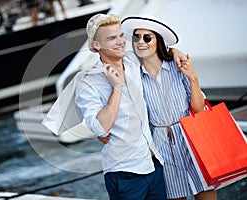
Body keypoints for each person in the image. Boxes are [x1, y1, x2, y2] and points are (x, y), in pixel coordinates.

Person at [119, 15, 218, 200]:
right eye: (136, 37)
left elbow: (198, 109)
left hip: (192, 138)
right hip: (161, 146)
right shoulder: (135, 77)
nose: (141, 42)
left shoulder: (178, 66)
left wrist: (193, 78)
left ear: (158, 41)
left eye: (147, 37)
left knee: (206, 193)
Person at [74, 13, 168, 200]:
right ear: (96, 45)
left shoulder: (133, 63)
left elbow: (160, 51)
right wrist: (116, 88)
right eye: (111, 38)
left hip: (152, 161)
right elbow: (100, 128)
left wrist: (177, 53)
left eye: (120, 36)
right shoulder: (88, 83)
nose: (120, 42)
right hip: (124, 172)